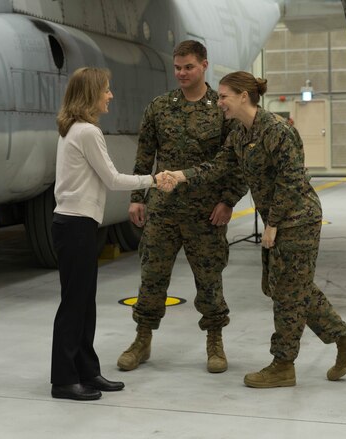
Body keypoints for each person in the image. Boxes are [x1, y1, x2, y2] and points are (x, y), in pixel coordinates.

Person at [167, 71, 346, 388]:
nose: (218, 102)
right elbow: (219, 165)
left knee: (288, 293)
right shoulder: (240, 133)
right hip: (280, 216)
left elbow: (291, 181)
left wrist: (272, 224)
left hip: (297, 218)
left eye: (223, 96)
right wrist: (181, 175)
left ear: (243, 96)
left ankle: (283, 365)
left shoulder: (275, 130)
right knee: (285, 287)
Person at [117, 40, 247, 374]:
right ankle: (142, 340)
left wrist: (228, 201)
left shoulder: (221, 109)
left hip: (206, 213)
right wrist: (136, 198)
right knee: (152, 277)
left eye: (188, 67)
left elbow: (236, 160)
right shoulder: (160, 107)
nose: (181, 73)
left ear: (204, 65)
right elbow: (145, 155)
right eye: (177, 67)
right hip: (163, 210)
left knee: (209, 280)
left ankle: (215, 342)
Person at [50, 67, 175, 400]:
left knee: (83, 304)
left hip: (75, 222)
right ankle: (64, 379)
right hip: (75, 224)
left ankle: (87, 371)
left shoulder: (71, 129)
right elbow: (113, 179)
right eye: (105, 90)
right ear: (92, 94)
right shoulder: (87, 132)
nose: (110, 95)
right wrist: (153, 179)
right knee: (74, 306)